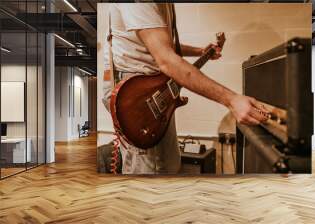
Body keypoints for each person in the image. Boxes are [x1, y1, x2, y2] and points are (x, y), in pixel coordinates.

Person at [103, 3, 269, 174]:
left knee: (169, 166)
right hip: (136, 92)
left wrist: (201, 52)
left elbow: (161, 44)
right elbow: (167, 60)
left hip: (154, 86)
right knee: (149, 170)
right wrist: (232, 100)